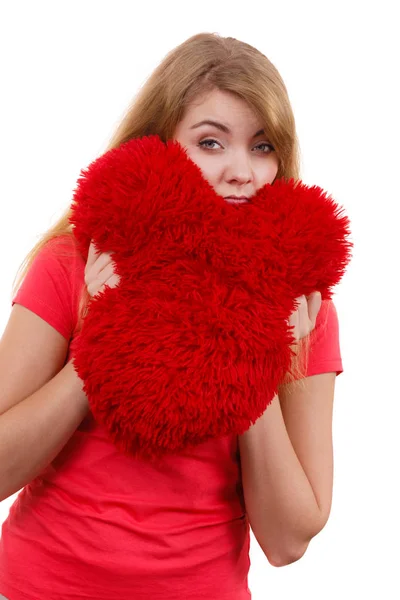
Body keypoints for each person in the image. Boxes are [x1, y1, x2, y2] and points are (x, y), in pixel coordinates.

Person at [0, 32, 343, 600]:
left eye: (262, 146)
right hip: (43, 585)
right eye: (211, 143)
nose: (242, 170)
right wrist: (108, 340)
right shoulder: (74, 265)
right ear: (157, 145)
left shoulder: (301, 305)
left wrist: (253, 353)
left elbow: (288, 542)